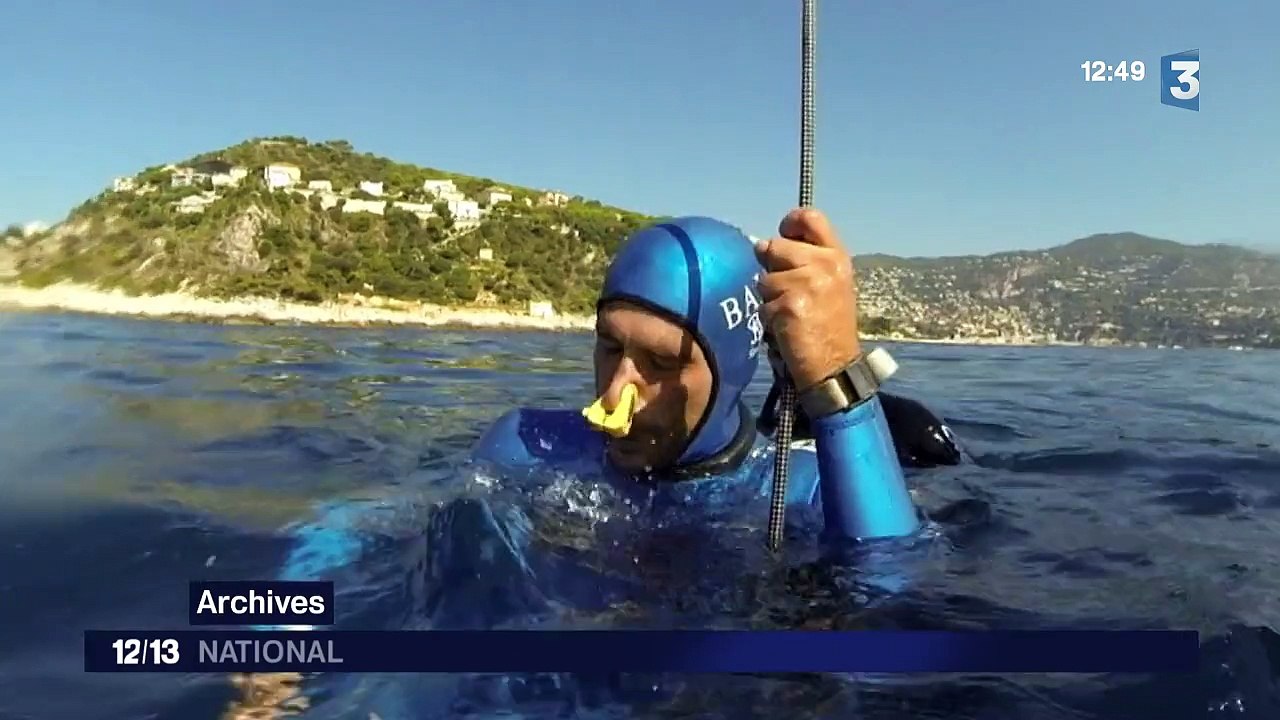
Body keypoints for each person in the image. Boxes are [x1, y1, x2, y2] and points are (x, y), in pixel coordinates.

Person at [267, 208, 963, 614]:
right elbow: (359, 524)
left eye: (660, 365)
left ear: (733, 369)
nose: (613, 398)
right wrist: (277, 637)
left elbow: (886, 610)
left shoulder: (797, 492)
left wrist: (837, 381)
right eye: (608, 348)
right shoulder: (526, 444)